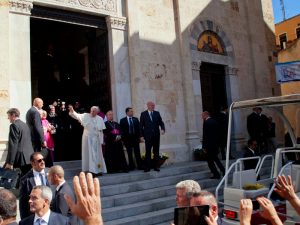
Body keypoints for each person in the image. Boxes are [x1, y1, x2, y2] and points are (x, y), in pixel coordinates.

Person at [69, 105, 107, 176]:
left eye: (94, 111)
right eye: (91, 110)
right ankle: (90, 170)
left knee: (97, 156)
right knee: (89, 155)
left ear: (97, 112)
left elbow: (101, 131)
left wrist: (101, 141)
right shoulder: (85, 116)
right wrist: (72, 110)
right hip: (87, 139)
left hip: (96, 140)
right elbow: (77, 116)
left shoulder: (100, 119)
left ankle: (98, 170)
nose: (92, 112)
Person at [19, 152, 50, 219]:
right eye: (39, 161)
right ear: (33, 163)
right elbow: (23, 203)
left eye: (43, 159)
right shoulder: (25, 180)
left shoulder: (51, 172)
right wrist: (24, 221)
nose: (43, 162)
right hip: (35, 216)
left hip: (51, 214)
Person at [4, 108, 34, 175]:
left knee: (18, 181)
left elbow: (13, 145)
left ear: (13, 115)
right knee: (26, 179)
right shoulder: (25, 125)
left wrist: (10, 162)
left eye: (9, 116)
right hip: (29, 157)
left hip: (20, 159)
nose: (8, 118)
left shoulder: (14, 125)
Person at [140, 101, 165, 172]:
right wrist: (141, 136)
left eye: (153, 105)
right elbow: (141, 126)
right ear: (148, 106)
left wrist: (162, 129)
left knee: (156, 151)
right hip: (147, 136)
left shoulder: (157, 113)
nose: (153, 106)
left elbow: (161, 122)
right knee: (148, 152)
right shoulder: (143, 114)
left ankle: (156, 166)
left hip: (156, 136)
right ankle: (147, 167)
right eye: (151, 105)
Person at [202, 111, 225, 179]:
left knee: (210, 161)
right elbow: (218, 134)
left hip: (209, 146)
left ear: (206, 115)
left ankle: (216, 174)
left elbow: (205, 136)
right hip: (215, 146)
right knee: (216, 159)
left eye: (202, 116)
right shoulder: (215, 122)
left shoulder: (206, 122)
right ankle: (223, 170)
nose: (202, 117)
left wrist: (204, 147)